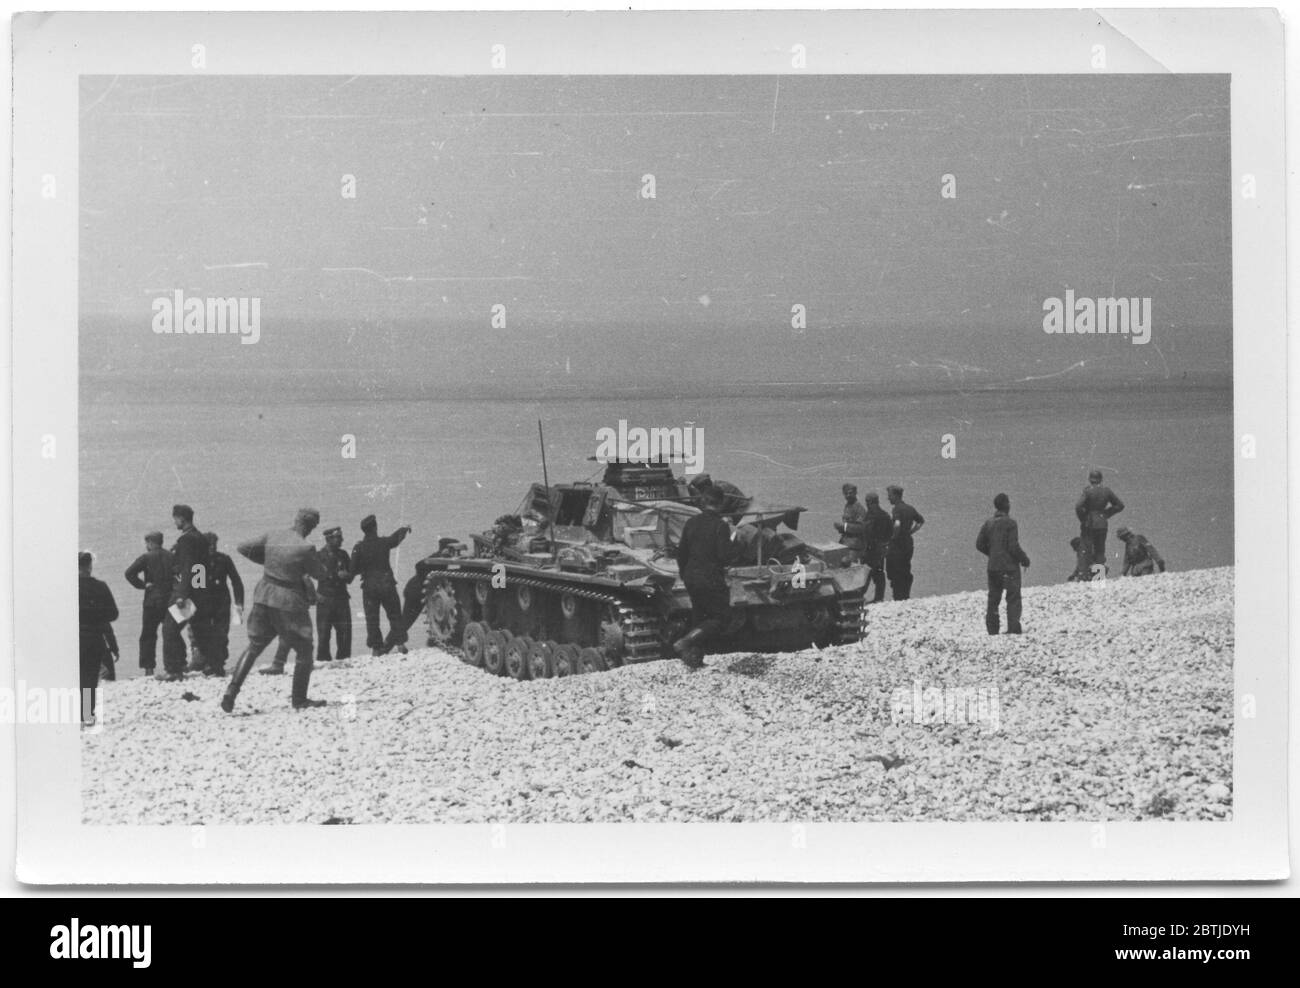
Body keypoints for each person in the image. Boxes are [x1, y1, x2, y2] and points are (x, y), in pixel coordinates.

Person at [222, 508, 328, 712]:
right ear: (309, 525)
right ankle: (299, 700)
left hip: (264, 594)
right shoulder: (306, 547)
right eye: (313, 527)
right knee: (305, 649)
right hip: (289, 601)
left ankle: (231, 692)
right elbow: (319, 574)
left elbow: (243, 548)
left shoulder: (273, 535)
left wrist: (268, 561)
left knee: (254, 646)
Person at [672, 486, 737, 669]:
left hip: (691, 577)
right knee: (721, 618)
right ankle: (684, 642)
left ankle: (694, 660)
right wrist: (734, 542)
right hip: (711, 578)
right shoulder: (721, 525)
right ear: (721, 503)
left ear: (703, 502)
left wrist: (685, 575)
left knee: (700, 619)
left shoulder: (691, 522)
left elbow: (681, 553)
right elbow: (724, 556)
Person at [160, 504, 214, 681]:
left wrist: (182, 594)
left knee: (169, 628)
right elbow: (201, 568)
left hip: (186, 592)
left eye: (175, 518)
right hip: (200, 590)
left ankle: (174, 669)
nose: (174, 521)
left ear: (181, 518)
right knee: (200, 630)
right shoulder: (201, 538)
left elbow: (188, 567)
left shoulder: (186, 540)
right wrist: (200, 590)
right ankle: (212, 664)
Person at [351, 515, 412, 656]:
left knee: (372, 618)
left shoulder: (359, 547)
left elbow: (353, 570)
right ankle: (400, 644)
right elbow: (395, 539)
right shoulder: (383, 543)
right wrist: (404, 529)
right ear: (375, 527)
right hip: (387, 585)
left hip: (369, 587)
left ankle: (376, 648)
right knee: (395, 614)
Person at [976, 493, 1031, 635]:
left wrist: (993, 553)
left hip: (993, 566)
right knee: (1013, 597)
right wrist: (1024, 559)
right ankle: (1013, 628)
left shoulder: (988, 523)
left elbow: (979, 544)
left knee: (993, 598)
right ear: (1007, 505)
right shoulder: (1011, 523)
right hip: (1009, 567)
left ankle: (992, 629)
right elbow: (1013, 546)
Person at [123, 531, 174, 676]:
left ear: (150, 543)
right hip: (169, 600)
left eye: (147, 543)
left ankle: (149, 668)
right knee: (170, 633)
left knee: (148, 635)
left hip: (152, 601)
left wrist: (143, 585)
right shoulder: (171, 556)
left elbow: (129, 573)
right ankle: (173, 665)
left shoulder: (146, 557)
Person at [195, 532, 244, 677]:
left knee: (221, 633)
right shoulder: (198, 562)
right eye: (209, 545)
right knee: (205, 634)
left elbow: (236, 582)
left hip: (221, 600)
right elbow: (196, 585)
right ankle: (211, 663)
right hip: (204, 602)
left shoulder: (224, 559)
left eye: (214, 545)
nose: (212, 548)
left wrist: (239, 603)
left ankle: (218, 664)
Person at [78, 552, 118, 726]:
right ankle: (86, 714)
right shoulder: (100, 586)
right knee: (89, 676)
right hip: (94, 635)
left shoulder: (66, 587)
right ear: (89, 566)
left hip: (73, 636)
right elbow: (113, 614)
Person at [315, 526, 353, 662]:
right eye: (338, 538)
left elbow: (351, 577)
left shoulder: (343, 555)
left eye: (341, 537)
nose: (342, 540)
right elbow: (306, 575)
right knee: (324, 635)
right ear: (329, 539)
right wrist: (313, 595)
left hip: (341, 599)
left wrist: (346, 575)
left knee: (345, 634)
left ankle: (343, 660)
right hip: (324, 600)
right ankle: (323, 661)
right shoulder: (318, 556)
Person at [1074, 469, 1124, 568]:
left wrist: (1083, 519)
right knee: (1100, 550)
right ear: (1100, 479)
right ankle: (1099, 577)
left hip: (1089, 523)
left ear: (1090, 479)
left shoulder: (1088, 491)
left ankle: (1084, 576)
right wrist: (1106, 514)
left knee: (1086, 549)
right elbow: (1120, 505)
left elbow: (1078, 506)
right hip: (1102, 524)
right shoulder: (1107, 490)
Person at [885, 485, 924, 600]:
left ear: (896, 496)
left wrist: (893, 537)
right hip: (908, 543)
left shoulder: (896, 509)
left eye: (890, 496)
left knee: (894, 569)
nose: (888, 498)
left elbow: (897, 524)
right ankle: (905, 595)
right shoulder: (910, 508)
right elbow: (920, 522)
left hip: (897, 544)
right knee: (905, 568)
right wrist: (910, 532)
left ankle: (898, 596)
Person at [862, 491, 893, 603]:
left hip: (871, 549)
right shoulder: (885, 514)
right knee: (878, 573)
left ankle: (863, 597)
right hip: (880, 548)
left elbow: (867, 532)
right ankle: (879, 597)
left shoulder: (870, 515)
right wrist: (885, 544)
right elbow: (891, 532)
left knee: (867, 573)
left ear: (869, 502)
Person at [833, 484, 869, 563]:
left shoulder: (859, 509)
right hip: (846, 544)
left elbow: (861, 528)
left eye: (850, 493)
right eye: (846, 493)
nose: (848, 495)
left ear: (855, 493)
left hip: (855, 547)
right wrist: (840, 528)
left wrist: (844, 526)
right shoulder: (848, 506)